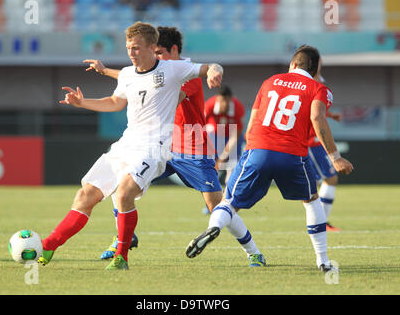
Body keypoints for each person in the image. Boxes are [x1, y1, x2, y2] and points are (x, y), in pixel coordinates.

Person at [37, 22, 223, 270]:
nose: (131, 53)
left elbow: (210, 66)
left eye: (135, 48)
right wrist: (82, 103)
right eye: (128, 48)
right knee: (85, 195)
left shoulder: (173, 69)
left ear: (152, 47)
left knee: (124, 193)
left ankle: (121, 256)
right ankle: (48, 246)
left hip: (154, 147)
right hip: (126, 144)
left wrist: (213, 71)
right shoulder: (127, 74)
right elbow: (115, 102)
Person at [84, 26, 265, 267]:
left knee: (217, 206)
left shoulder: (181, 74)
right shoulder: (160, 71)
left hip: (192, 147)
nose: (155, 58)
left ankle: (253, 252)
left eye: (159, 53)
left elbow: (158, 86)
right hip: (161, 146)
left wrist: (214, 70)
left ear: (174, 50)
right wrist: (106, 71)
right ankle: (124, 238)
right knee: (122, 185)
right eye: (154, 53)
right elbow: (141, 78)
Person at [186, 45, 353, 272]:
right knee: (312, 200)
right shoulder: (318, 87)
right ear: (314, 70)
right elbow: (316, 116)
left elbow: (253, 120)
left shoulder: (270, 81)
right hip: (291, 154)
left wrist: (253, 149)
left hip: (258, 150)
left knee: (229, 203)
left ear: (293, 64)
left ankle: (214, 226)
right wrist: (335, 157)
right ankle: (323, 261)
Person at [309, 64, 343, 232]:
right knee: (326, 180)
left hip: (314, 142)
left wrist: (330, 115)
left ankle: (321, 222)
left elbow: (317, 107)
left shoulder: (315, 78)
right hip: (310, 142)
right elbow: (312, 107)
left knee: (320, 182)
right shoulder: (311, 81)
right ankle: (320, 223)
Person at [204, 85, 246, 184]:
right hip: (214, 135)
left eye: (226, 101)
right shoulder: (209, 104)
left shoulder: (238, 108)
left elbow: (235, 136)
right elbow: (200, 126)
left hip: (231, 137)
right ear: (218, 98)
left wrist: (222, 157)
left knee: (233, 161)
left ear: (231, 99)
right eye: (222, 100)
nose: (224, 104)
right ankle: (210, 181)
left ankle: (230, 184)